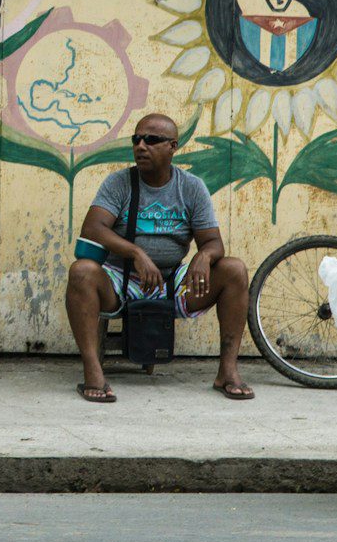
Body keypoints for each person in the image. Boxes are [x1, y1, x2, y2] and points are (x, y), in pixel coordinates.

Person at [64, 112, 254, 403]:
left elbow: (214, 242)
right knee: (81, 272)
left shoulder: (191, 187)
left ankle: (227, 372)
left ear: (172, 147)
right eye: (136, 139)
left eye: (151, 140)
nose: (141, 146)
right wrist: (135, 252)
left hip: (172, 280)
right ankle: (93, 372)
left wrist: (203, 256)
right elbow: (93, 227)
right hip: (121, 279)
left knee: (235, 270)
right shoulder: (120, 183)